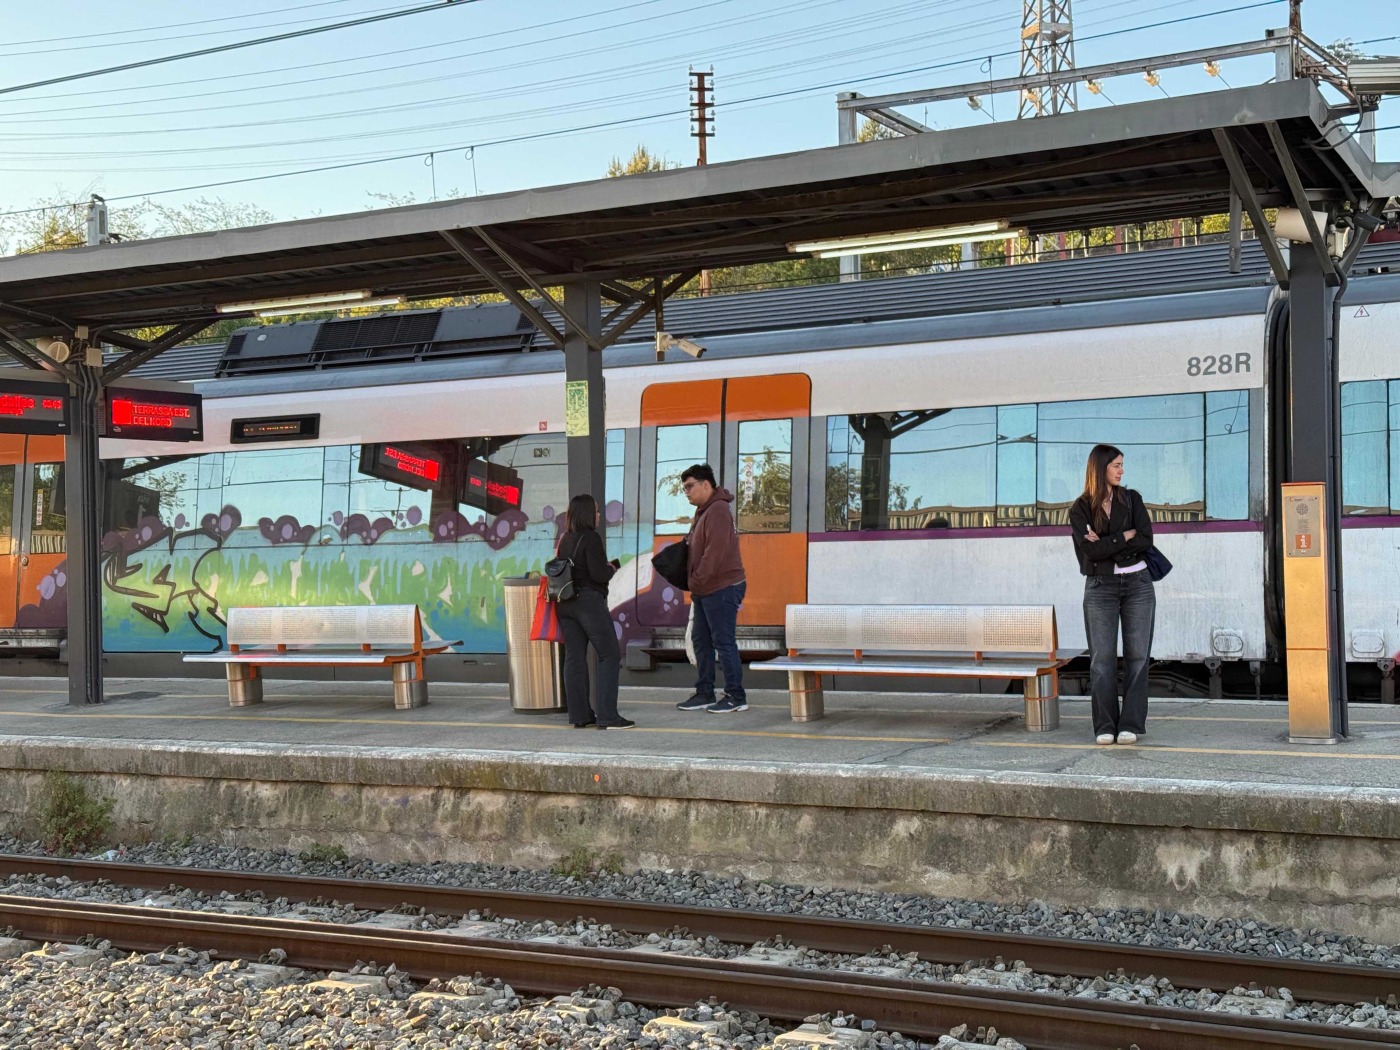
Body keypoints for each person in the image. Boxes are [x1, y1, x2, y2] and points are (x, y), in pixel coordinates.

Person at [1069, 444, 1156, 746]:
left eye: (1122, 465)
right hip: (1100, 588)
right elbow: (1090, 551)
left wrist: (1107, 543)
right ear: (1100, 468)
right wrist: (1124, 537)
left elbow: (1145, 539)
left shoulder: (1132, 499)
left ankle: (1130, 724)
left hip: (1138, 584)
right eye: (1116, 465)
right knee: (1101, 659)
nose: (1122, 470)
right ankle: (1105, 725)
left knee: (1138, 656)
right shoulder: (1081, 508)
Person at [674, 463, 748, 714]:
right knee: (702, 641)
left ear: (706, 484)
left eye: (689, 486)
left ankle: (736, 696)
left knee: (723, 641)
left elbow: (714, 554)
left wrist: (695, 581)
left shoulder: (717, 510)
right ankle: (705, 692)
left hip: (722, 587)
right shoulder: (704, 511)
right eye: (684, 488)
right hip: (706, 588)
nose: (686, 492)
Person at [555, 494, 631, 729]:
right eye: (596, 510)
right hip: (588, 602)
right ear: (588, 514)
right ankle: (608, 716)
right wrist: (612, 568)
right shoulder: (591, 538)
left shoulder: (565, 539)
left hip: (566, 603)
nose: (599, 515)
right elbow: (599, 574)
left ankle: (580, 715)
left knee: (574, 657)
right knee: (609, 655)